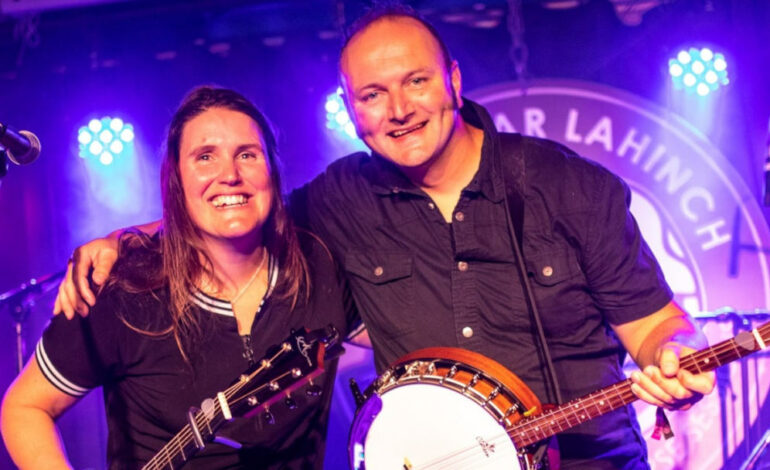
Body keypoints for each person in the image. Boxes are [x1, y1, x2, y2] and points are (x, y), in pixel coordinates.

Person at [49, 6, 715, 469]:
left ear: (452, 81)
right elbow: (236, 207)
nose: (398, 110)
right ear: (353, 111)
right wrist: (128, 236)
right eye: (371, 95)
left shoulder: (566, 185)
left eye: (416, 82)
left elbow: (659, 327)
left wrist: (673, 356)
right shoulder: (343, 198)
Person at [1, 86, 351, 469]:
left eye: (247, 155)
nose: (230, 175)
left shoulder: (319, 267)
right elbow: (25, 407)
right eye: (205, 157)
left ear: (272, 170)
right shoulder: (125, 293)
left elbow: (395, 330)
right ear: (176, 181)